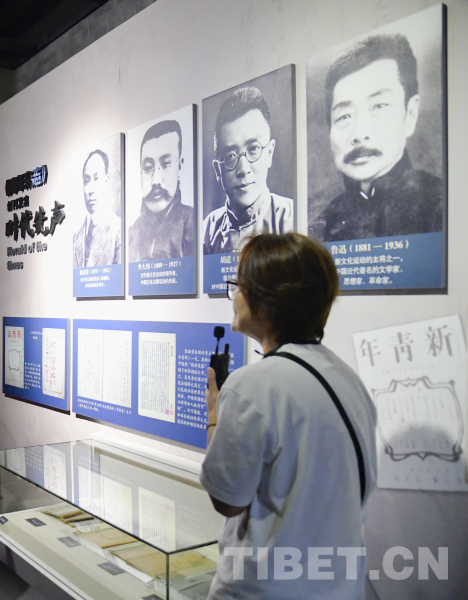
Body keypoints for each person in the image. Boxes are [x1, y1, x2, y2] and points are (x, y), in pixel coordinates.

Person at [201, 232, 377, 598]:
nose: (234, 296)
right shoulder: (348, 380)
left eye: (239, 286)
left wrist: (214, 414)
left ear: (267, 300)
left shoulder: (253, 385)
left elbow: (226, 499)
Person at [319, 34, 444, 242]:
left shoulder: (439, 205)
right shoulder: (323, 221)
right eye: (344, 116)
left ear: (410, 114)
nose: (359, 134)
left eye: (379, 106)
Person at [202, 88, 293, 254]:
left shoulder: (290, 217)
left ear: (269, 153)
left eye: (253, 149)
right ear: (218, 170)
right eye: (230, 156)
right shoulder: (207, 230)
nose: (243, 169)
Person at [128, 120, 195, 262]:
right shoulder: (131, 234)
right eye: (148, 168)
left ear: (180, 167)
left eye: (165, 164)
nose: (156, 180)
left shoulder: (194, 223)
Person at [72, 149, 122, 268]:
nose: (91, 189)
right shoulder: (76, 237)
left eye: (96, 178)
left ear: (106, 181)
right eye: (87, 181)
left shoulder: (119, 230)